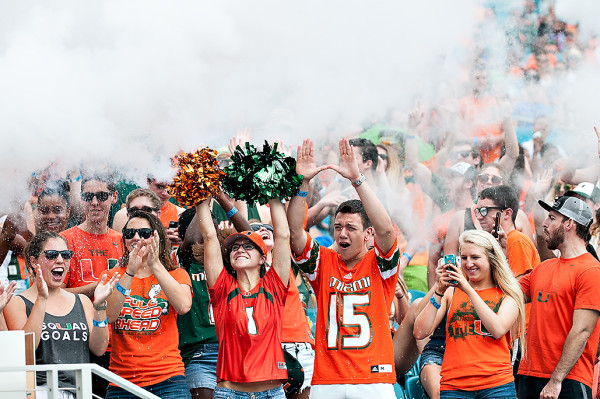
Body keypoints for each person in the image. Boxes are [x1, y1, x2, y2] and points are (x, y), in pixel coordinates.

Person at [288, 138, 399, 398]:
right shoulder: (323, 262)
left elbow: (386, 228)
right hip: (328, 380)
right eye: (338, 228)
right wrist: (302, 184)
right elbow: (295, 232)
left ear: (368, 234)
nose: (342, 234)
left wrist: (357, 180)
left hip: (374, 378)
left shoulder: (380, 265)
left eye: (351, 228)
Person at [196, 193, 290, 399]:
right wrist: (200, 193)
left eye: (248, 246)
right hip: (230, 394)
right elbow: (210, 236)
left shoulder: (274, 285)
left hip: (272, 394)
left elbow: (283, 235)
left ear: (262, 258)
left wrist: (273, 193)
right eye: (235, 248)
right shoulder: (222, 288)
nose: (239, 250)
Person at [3, 231, 118, 399]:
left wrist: (99, 306)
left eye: (65, 255)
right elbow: (25, 350)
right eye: (51, 255)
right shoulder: (17, 302)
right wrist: (42, 299)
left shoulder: (82, 301)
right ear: (34, 261)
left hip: (80, 390)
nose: (60, 260)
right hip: (40, 391)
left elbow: (99, 349)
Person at [414, 230, 525, 398]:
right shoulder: (451, 292)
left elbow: (498, 329)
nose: (468, 263)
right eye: (463, 257)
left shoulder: (508, 294)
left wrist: (467, 289)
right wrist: (438, 290)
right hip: (454, 386)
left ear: (491, 258)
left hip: (497, 385)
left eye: (475, 257)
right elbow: (420, 331)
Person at [102, 211, 192, 398]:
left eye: (144, 233)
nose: (136, 238)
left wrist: (155, 263)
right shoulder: (112, 275)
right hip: (122, 380)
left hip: (168, 378)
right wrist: (129, 272)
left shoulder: (176, 274)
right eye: (129, 233)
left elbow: (183, 306)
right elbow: (109, 315)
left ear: (156, 236)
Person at [517, 196, 600, 398]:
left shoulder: (591, 270)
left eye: (552, 218)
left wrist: (556, 380)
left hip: (567, 381)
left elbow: (582, 331)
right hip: (529, 375)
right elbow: (508, 293)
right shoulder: (543, 268)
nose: (545, 224)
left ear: (569, 224)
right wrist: (498, 252)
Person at [61, 173, 124, 297]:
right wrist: (102, 284)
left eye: (102, 196)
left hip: (113, 315)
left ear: (114, 197)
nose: (94, 202)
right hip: (79, 315)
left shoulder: (122, 241)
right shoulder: (64, 240)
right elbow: (55, 293)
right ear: (81, 198)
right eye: (88, 196)